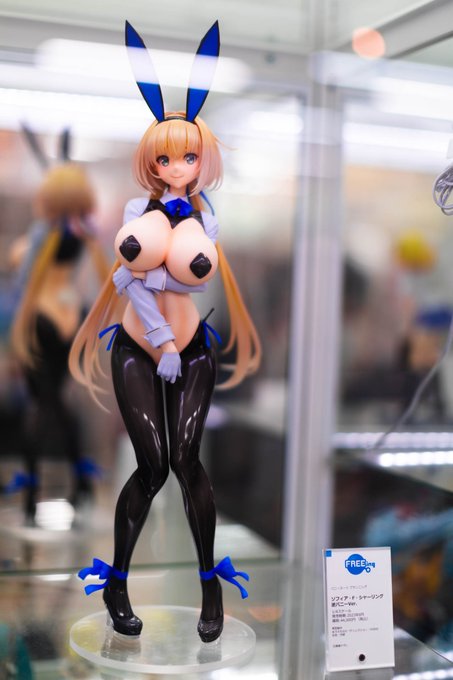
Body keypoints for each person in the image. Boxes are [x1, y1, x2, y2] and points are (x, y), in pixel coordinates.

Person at [71, 21, 261, 643]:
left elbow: (191, 275)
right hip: (138, 348)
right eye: (165, 157)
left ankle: (209, 585)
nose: (177, 167)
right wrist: (160, 338)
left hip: (195, 349)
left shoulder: (209, 217)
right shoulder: (136, 211)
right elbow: (132, 285)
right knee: (152, 465)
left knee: (187, 461)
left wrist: (164, 309)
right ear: (151, 161)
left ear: (202, 159)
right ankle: (118, 582)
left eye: (188, 156)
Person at [9, 129, 109, 523]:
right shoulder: (84, 232)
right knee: (59, 404)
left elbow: (24, 278)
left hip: (44, 315)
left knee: (43, 405)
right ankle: (80, 483)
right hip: (72, 314)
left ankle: (33, 490)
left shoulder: (45, 231)